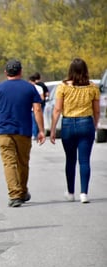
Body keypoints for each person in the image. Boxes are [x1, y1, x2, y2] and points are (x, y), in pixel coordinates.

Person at [0, 59, 45, 208]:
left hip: (4, 131)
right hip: (23, 131)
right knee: (23, 162)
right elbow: (37, 109)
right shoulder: (29, 88)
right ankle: (23, 191)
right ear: (21, 71)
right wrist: (41, 130)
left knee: (9, 163)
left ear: (6, 73)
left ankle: (14, 195)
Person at [50, 58, 100, 203]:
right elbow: (96, 111)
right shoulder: (92, 87)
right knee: (84, 160)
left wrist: (53, 129)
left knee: (70, 160)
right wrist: (95, 125)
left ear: (70, 70)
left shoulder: (63, 87)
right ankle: (84, 193)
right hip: (86, 123)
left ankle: (71, 192)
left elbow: (57, 109)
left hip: (68, 124)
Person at [29, 75, 44, 140]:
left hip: (30, 108)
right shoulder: (39, 88)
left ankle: (34, 134)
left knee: (33, 122)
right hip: (38, 106)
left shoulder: (29, 88)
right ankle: (38, 133)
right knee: (38, 121)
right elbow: (42, 98)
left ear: (30, 81)